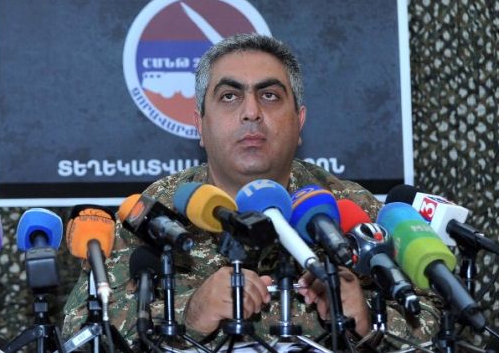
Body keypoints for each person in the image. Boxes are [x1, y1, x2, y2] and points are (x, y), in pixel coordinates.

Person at [62, 34, 439, 351]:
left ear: (299, 121)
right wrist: (190, 315)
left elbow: (437, 321)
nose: (251, 112)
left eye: (270, 95)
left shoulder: (349, 208)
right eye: (229, 96)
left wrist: (369, 321)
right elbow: (80, 333)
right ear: (199, 125)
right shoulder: (153, 214)